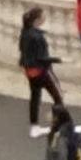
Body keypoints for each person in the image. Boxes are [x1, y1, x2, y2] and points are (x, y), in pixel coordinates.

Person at [19, 7, 63, 136]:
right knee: (58, 96)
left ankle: (34, 126)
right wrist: (59, 59)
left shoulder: (25, 33)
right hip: (42, 71)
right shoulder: (37, 37)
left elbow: (23, 52)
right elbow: (41, 58)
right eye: (43, 16)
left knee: (35, 97)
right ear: (38, 20)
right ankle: (60, 124)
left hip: (30, 71)